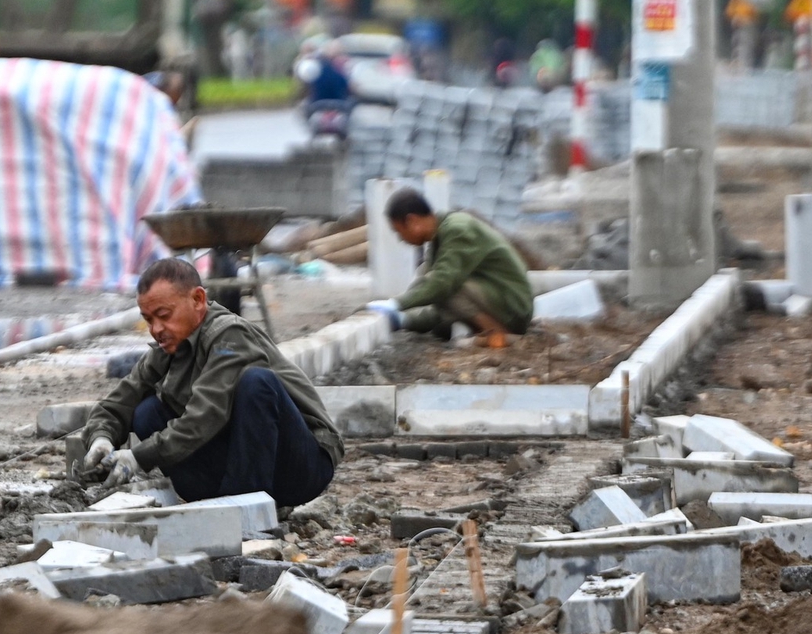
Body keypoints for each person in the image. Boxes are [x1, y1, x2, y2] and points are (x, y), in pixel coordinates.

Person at [80, 257, 342, 508]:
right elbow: (120, 400)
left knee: (257, 383)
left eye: (164, 315)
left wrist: (138, 457)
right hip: (239, 460)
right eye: (149, 319)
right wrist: (101, 438)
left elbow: (204, 415)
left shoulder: (229, 335)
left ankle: (246, 507)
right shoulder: (166, 349)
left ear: (198, 300)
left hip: (301, 465)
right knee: (147, 412)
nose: (156, 329)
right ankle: (220, 502)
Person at [367, 190, 534, 348]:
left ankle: (500, 336)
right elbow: (438, 308)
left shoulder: (458, 229)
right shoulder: (439, 240)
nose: (400, 239)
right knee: (432, 285)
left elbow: (443, 284)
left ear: (412, 221)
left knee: (442, 286)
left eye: (399, 231)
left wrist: (396, 303)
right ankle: (489, 335)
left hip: (514, 307)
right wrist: (403, 320)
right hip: (502, 303)